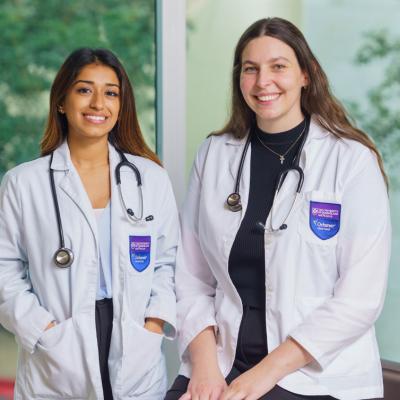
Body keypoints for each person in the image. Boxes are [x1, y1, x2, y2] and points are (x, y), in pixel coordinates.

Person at [166, 17, 391, 400]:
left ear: (306, 74)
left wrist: (262, 376)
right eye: (250, 69)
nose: (262, 81)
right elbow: (191, 277)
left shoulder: (351, 161)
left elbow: (359, 300)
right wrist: (204, 370)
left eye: (278, 67)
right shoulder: (215, 155)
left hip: (314, 373)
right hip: (223, 363)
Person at [0, 48, 179, 399]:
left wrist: (153, 324)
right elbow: (4, 272)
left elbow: (167, 263)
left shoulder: (150, 179)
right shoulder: (24, 183)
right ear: (62, 102)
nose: (99, 103)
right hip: (58, 346)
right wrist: (42, 329)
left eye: (111, 92)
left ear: (121, 104)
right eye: (84, 90)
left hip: (133, 343)